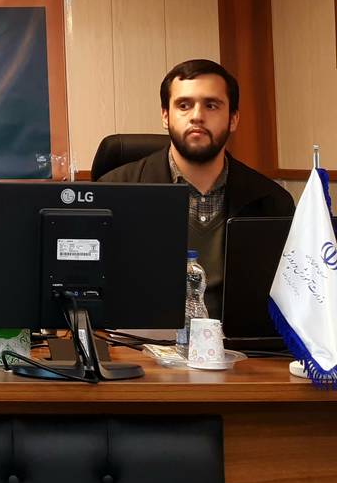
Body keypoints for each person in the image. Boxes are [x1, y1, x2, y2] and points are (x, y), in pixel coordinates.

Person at [100, 59, 294, 316]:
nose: (197, 116)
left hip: (239, 340)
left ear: (233, 119)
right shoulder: (114, 191)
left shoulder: (272, 202)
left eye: (211, 105)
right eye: (184, 105)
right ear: (165, 116)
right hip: (140, 338)